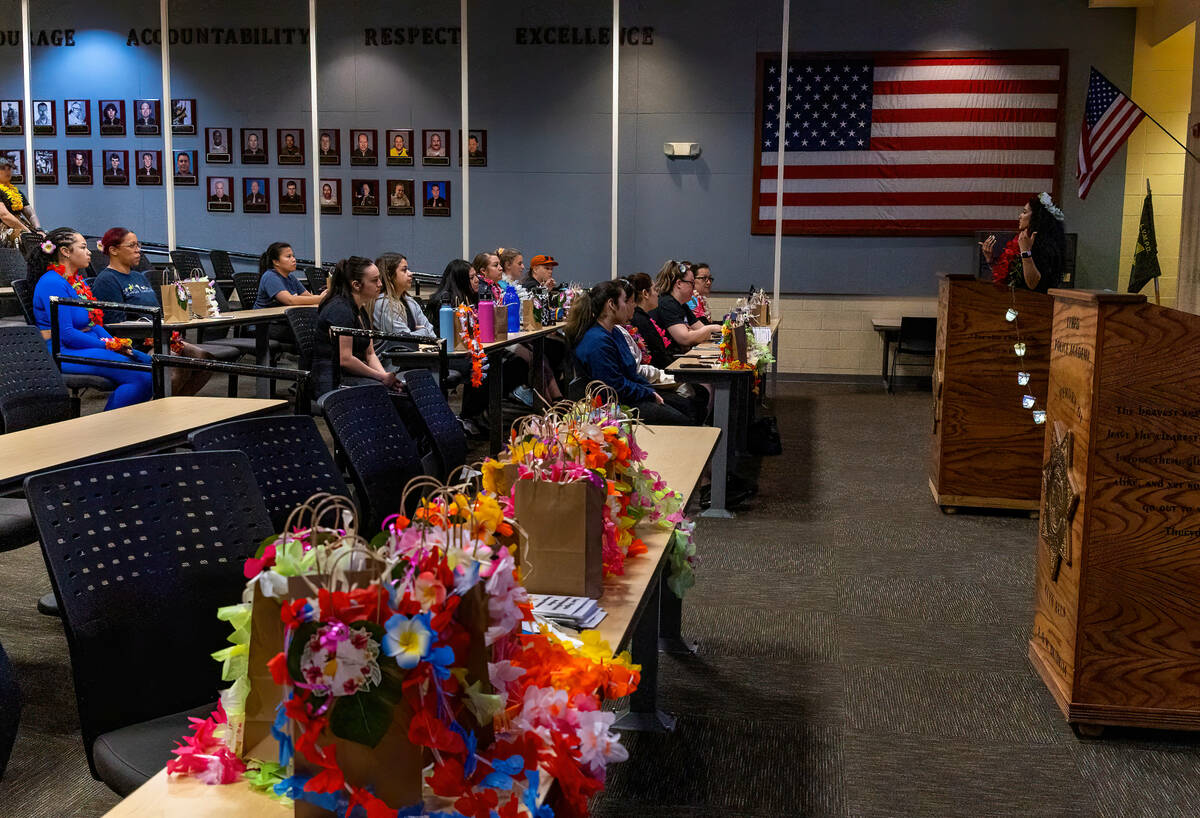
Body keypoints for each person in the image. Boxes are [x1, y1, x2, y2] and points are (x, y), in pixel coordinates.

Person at [29, 228, 153, 411]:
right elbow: (67, 334)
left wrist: (115, 342)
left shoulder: (78, 281)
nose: (89, 252)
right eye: (83, 247)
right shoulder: (52, 283)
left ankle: (126, 426)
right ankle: (109, 430)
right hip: (61, 350)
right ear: (65, 251)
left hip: (83, 344)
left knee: (149, 362)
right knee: (141, 376)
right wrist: (108, 346)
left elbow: (92, 324)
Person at [90, 227, 214, 396]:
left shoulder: (139, 277)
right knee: (175, 362)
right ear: (113, 250)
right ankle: (159, 408)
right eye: (132, 245)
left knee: (205, 360)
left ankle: (176, 403)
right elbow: (114, 326)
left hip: (158, 337)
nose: (138, 249)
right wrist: (150, 337)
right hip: (134, 344)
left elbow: (156, 311)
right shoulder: (106, 280)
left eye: (138, 244)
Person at [566, 280, 689, 425]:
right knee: (683, 420)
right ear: (611, 304)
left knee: (687, 406)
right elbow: (613, 386)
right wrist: (647, 393)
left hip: (628, 395)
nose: (632, 306)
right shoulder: (597, 341)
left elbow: (631, 373)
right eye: (626, 301)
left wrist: (648, 390)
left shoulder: (615, 331)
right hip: (613, 405)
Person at [313, 256, 397, 396]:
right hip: (332, 379)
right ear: (356, 285)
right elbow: (345, 359)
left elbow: (369, 354)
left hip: (352, 375)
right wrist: (381, 378)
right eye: (374, 280)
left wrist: (386, 377)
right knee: (385, 394)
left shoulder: (361, 309)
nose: (380, 284)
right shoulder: (339, 310)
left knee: (400, 391)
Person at [427, 259, 488, 434]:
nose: (477, 280)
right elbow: (444, 338)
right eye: (472, 277)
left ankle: (477, 415)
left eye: (476, 275)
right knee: (481, 367)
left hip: (465, 351)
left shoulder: (469, 297)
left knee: (496, 362)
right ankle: (468, 416)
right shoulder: (444, 302)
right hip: (445, 356)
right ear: (461, 280)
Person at [979, 193, 1067, 293]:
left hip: (1035, 303)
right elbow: (1008, 278)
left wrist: (1026, 251)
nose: (1020, 216)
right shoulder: (1020, 240)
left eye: (1024, 212)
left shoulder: (1046, 246)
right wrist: (990, 260)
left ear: (1037, 217)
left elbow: (1033, 284)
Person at [650, 260, 722, 358]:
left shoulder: (682, 305)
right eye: (691, 283)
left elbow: (700, 329)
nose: (694, 288)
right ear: (679, 283)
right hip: (668, 361)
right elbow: (685, 338)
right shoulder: (667, 303)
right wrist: (710, 328)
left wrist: (697, 332)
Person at [372, 252, 436, 353]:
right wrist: (424, 330)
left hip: (416, 357)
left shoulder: (410, 301)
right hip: (395, 364)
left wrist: (417, 332)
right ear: (390, 275)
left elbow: (432, 335)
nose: (411, 273)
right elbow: (405, 341)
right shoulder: (385, 304)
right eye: (404, 270)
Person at [0, 155, 41, 247]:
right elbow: (4, 215)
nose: (8, 171)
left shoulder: (16, 192)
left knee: (43, 239)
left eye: (9, 168)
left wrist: (39, 229)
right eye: (3, 168)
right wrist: (26, 231)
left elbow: (30, 214)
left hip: (19, 227)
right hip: (3, 230)